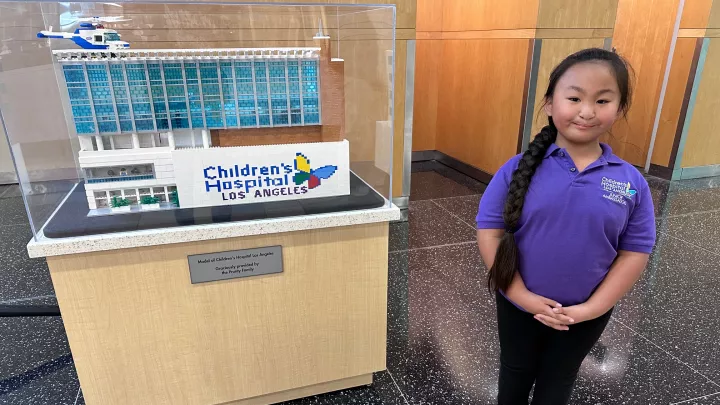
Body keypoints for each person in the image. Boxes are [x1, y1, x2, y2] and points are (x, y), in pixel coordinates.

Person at [475, 48, 656, 405]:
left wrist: (593, 308)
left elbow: (635, 251)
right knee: (514, 373)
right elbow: (491, 232)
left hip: (585, 313)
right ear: (549, 103)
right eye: (574, 98)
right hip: (518, 304)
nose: (587, 111)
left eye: (602, 100)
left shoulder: (630, 181)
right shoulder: (516, 169)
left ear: (619, 109)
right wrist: (521, 296)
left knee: (558, 380)